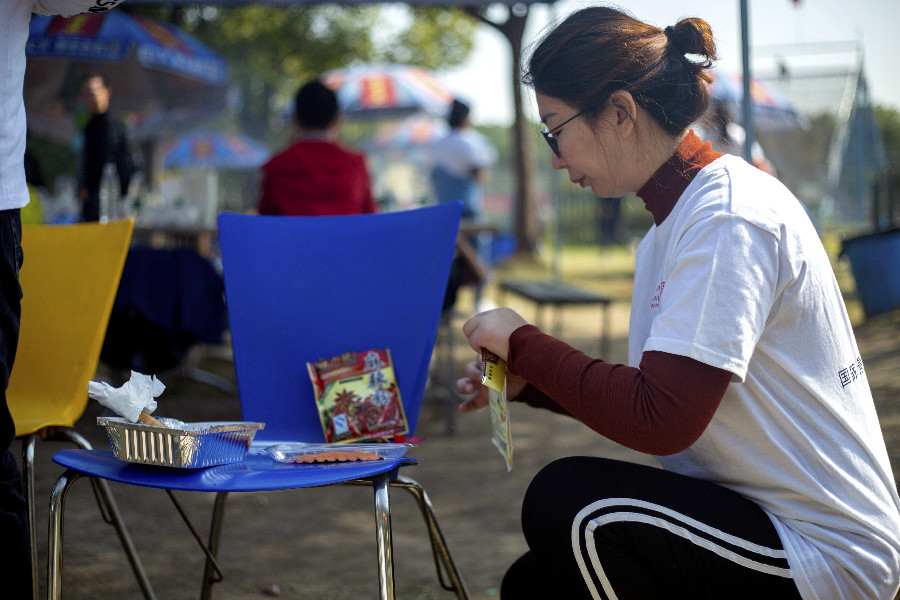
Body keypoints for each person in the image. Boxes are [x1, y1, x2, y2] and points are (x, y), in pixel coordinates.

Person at [455, 7, 900, 599]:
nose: (556, 157)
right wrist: (529, 384)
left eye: (555, 130)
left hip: (825, 551)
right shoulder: (672, 229)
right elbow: (663, 396)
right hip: (760, 521)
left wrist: (524, 342)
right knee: (535, 586)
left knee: (572, 506)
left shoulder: (728, 216)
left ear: (620, 113)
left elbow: (662, 417)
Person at [2, 3, 125, 597]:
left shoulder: (109, 129)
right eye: (89, 89)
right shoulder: (90, 128)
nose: (93, 95)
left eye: (99, 88)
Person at [257, 79, 376, 216]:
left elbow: (265, 220)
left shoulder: (277, 167)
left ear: (295, 120)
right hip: (346, 231)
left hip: (294, 231)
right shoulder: (355, 165)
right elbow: (370, 218)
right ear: (337, 121)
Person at [431, 99, 497, 312]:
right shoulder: (468, 143)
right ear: (466, 117)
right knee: (478, 256)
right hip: (468, 210)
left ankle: (447, 305)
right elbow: (480, 174)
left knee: (447, 260)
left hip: (444, 211)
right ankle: (479, 301)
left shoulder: (437, 144)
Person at [76, 74, 133, 222]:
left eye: (92, 92)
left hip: (105, 201)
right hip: (95, 199)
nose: (88, 97)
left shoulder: (109, 125)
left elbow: (109, 160)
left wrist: (88, 186)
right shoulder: (92, 125)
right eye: (85, 93)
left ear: (107, 92)